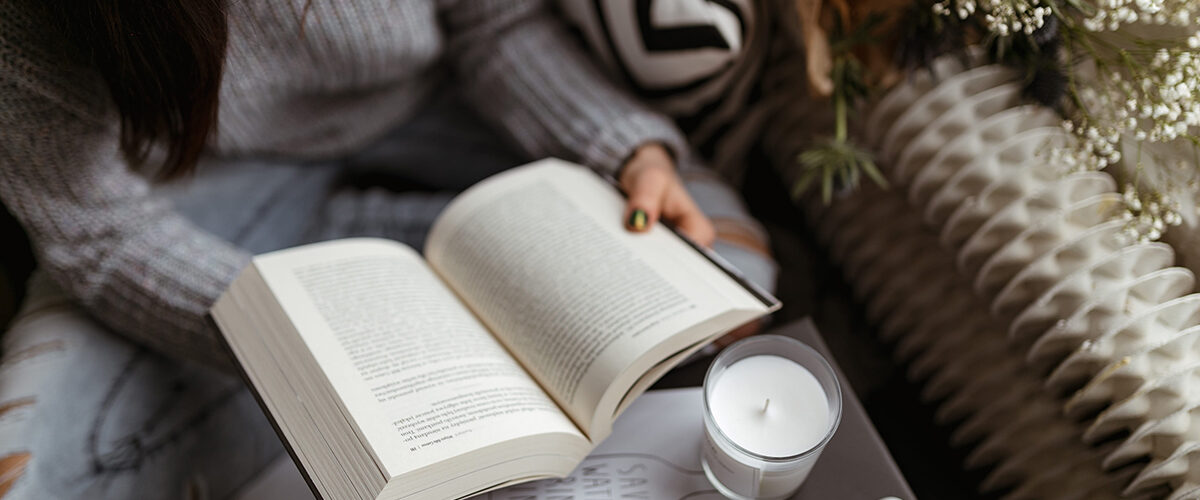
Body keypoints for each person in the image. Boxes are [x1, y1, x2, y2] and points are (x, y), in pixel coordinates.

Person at [0, 0, 776, 498]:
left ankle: (420, 276)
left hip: (447, 104)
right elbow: (94, 231)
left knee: (727, 276)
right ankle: (400, 292)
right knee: (36, 469)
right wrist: (274, 334)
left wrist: (625, 152)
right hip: (207, 190)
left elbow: (492, 24)